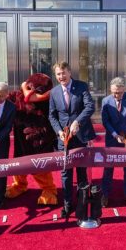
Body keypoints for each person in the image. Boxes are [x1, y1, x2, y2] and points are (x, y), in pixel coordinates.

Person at [48, 61, 96, 219]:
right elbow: (52, 115)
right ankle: (68, 205)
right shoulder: (54, 92)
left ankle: (82, 204)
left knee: (82, 173)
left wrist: (78, 122)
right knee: (65, 174)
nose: (61, 76)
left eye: (63, 73)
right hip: (64, 140)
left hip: (80, 137)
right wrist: (58, 131)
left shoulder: (81, 86)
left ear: (69, 72)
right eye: (58, 74)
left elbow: (90, 106)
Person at [4, 73, 59, 205]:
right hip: (21, 140)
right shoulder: (17, 96)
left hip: (39, 141)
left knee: (40, 167)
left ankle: (49, 189)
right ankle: (19, 185)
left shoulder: (49, 100)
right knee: (19, 165)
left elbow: (54, 118)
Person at [100, 77, 126, 207]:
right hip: (112, 138)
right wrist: (115, 135)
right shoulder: (106, 101)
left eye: (118, 92)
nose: (115, 95)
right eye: (113, 92)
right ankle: (105, 195)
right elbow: (105, 121)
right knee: (108, 168)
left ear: (123, 89)